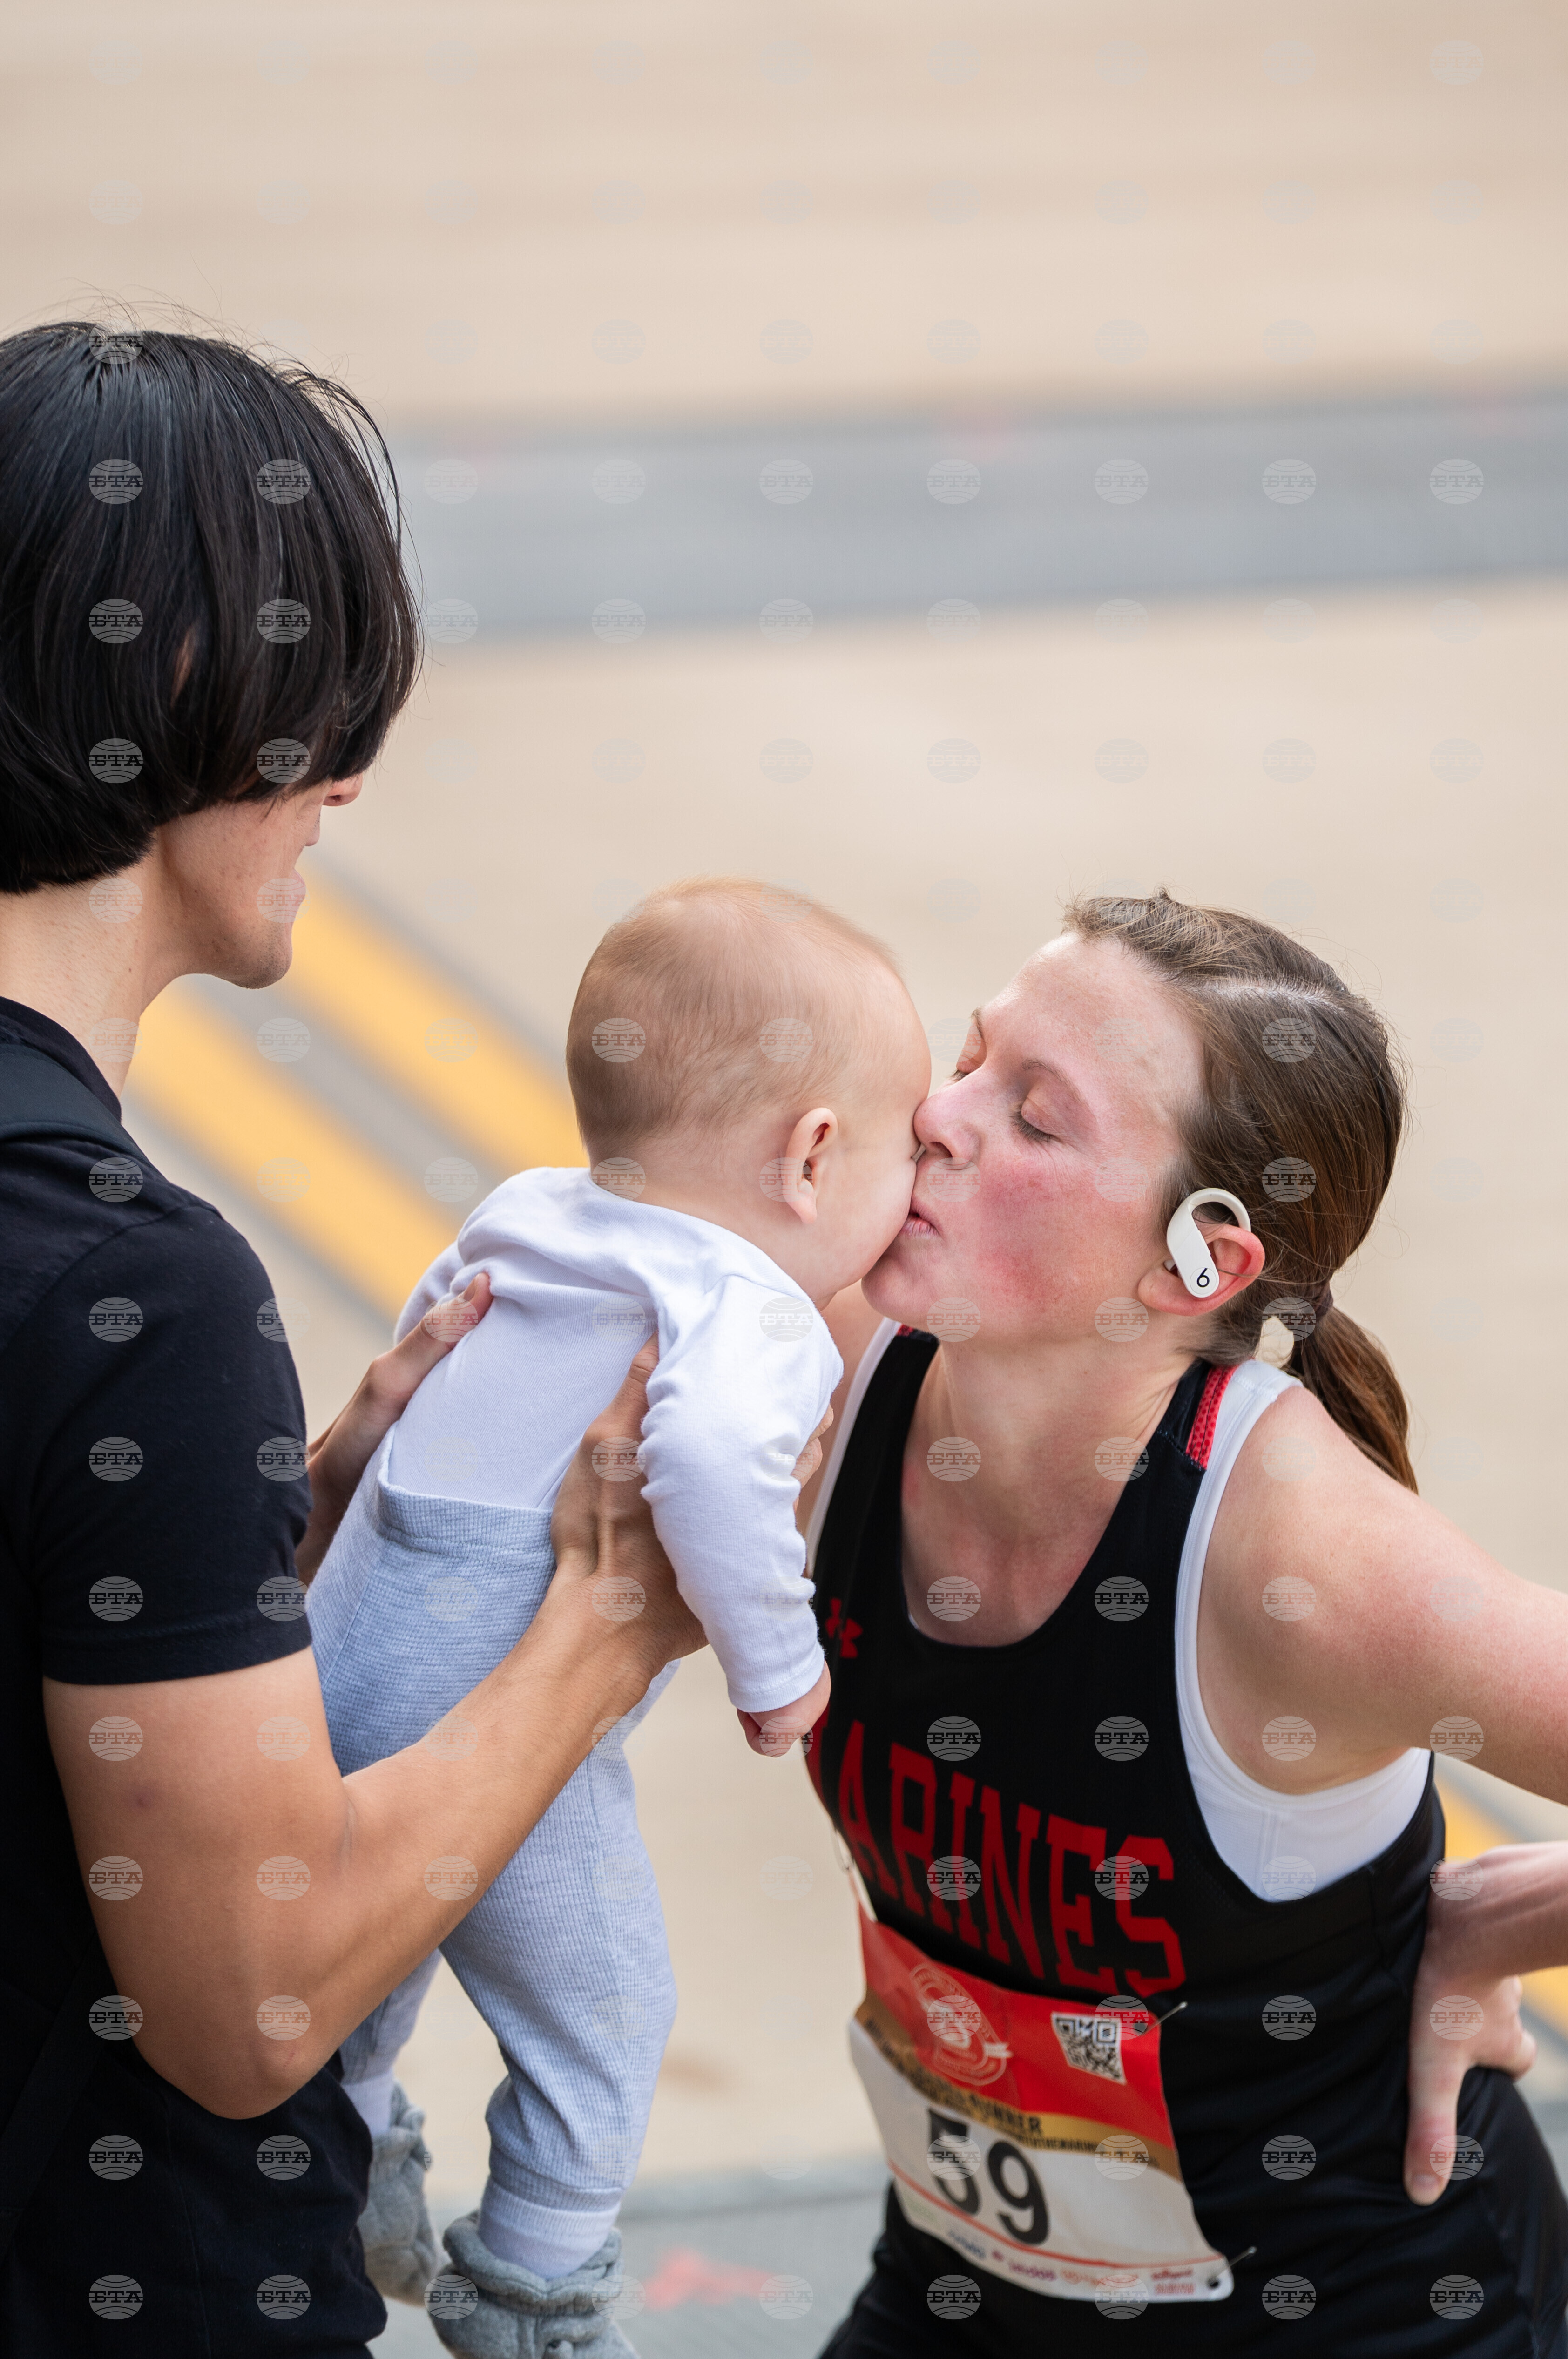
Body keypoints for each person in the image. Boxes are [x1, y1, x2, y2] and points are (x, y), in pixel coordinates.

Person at [0, 321, 697, 2358]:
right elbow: (248, 2006)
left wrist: (264, 1528)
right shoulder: (127, 1286)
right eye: (323, 709)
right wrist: (600, 1622)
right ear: (197, 697)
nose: (351, 777)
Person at [788, 889, 1568, 2355]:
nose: (938, 1118)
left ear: (1196, 1265)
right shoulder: (821, 1374)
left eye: (1034, 1115)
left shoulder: (1302, 1565)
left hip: (1350, 2310)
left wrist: (1498, 1922)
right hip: (975, 2278)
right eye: (969, 1056)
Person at [307, 877, 930, 2349]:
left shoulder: (534, 1210)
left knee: (357, 1944)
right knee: (606, 2012)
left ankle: (338, 2157)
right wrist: (777, 1664)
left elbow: (429, 1335)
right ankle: (536, 2281)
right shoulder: (752, 1303)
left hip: (344, 1636)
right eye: (909, 1141)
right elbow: (709, 1461)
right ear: (814, 1152)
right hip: (493, 1695)